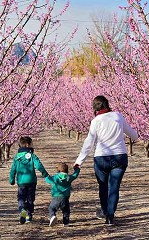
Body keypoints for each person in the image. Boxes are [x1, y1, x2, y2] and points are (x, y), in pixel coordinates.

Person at [74, 95, 138, 226]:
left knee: (103, 187)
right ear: (107, 104)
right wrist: (135, 137)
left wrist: (79, 161)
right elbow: (132, 134)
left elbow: (89, 142)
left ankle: (104, 211)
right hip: (119, 156)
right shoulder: (118, 116)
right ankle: (110, 216)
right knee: (114, 187)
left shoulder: (96, 121)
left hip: (101, 157)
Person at [9, 136, 49, 224]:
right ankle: (29, 215)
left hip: (21, 182)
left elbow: (13, 170)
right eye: (31, 144)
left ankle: (22, 210)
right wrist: (45, 174)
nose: (32, 145)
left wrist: (11, 180)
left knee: (21, 198)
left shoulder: (17, 157)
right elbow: (39, 166)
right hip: (32, 181)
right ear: (27, 145)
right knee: (30, 198)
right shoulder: (32, 155)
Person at [45, 162, 80, 227]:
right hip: (65, 198)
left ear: (58, 170)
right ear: (67, 170)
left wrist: (46, 176)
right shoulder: (69, 177)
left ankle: (52, 216)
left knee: (51, 208)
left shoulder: (55, 177)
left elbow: (47, 179)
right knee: (66, 211)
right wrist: (77, 169)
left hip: (55, 197)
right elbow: (75, 175)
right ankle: (66, 223)